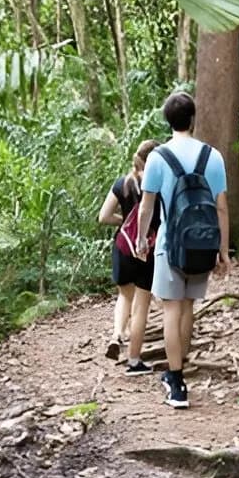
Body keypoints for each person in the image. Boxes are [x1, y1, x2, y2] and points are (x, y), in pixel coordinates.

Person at [134, 92, 230, 409]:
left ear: (168, 121)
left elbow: (147, 207)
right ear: (193, 118)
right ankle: (181, 368)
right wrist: (224, 251)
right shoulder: (212, 157)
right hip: (202, 244)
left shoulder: (157, 159)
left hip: (168, 246)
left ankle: (176, 383)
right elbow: (222, 209)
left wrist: (141, 239)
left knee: (171, 311)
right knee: (188, 307)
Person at [98, 139, 160, 373]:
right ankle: (134, 360)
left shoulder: (123, 183)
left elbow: (103, 216)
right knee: (141, 304)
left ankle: (116, 335)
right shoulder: (158, 185)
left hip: (123, 246)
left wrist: (125, 222)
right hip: (148, 249)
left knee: (124, 296)